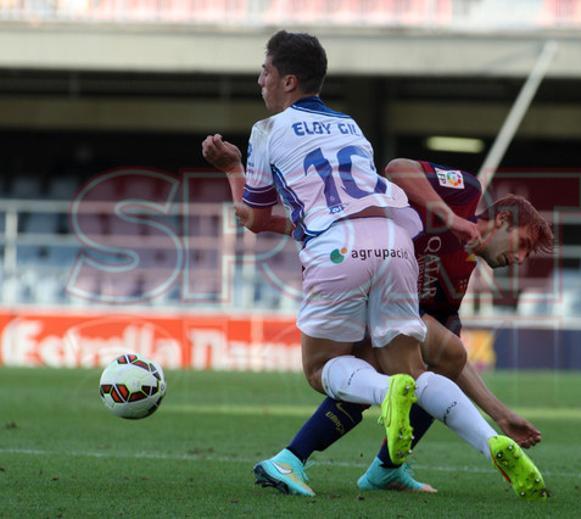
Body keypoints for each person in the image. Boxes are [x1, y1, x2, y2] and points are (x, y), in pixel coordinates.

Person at [201, 30, 491, 497]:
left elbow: (254, 218)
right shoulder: (350, 125)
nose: (260, 80)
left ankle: (370, 405)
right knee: (412, 368)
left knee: (324, 369)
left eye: (266, 71)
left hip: (338, 252)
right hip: (395, 243)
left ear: (288, 80)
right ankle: (477, 444)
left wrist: (232, 169)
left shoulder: (267, 131)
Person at [252, 158, 553, 499]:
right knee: (383, 369)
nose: (521, 258)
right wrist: (449, 216)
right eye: (524, 243)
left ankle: (374, 467)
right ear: (502, 220)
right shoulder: (466, 193)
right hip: (350, 265)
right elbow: (397, 169)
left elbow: (448, 356)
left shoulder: (459, 275)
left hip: (377, 303)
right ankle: (298, 458)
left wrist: (501, 414)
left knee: (436, 359)